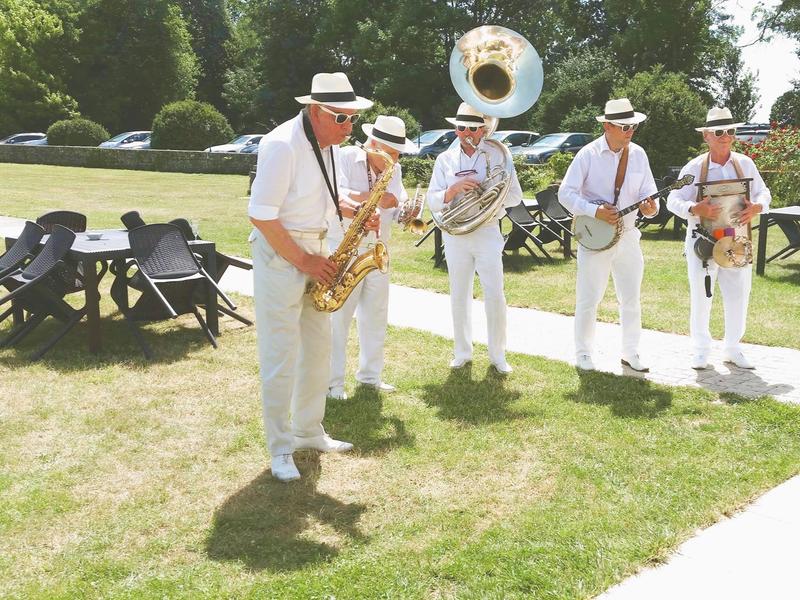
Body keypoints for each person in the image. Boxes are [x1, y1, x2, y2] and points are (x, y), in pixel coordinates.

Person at [248, 72, 374, 482]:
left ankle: (308, 431)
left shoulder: (328, 144)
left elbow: (318, 195)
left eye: (352, 118)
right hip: (282, 256)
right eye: (342, 119)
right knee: (280, 356)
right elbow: (262, 214)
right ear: (316, 111)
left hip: (314, 252)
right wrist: (304, 261)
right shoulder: (282, 145)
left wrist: (353, 210)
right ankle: (280, 448)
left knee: (319, 351)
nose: (350, 127)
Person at [558, 98, 658, 372]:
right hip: (595, 238)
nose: (630, 132)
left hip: (628, 236)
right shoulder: (588, 154)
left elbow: (648, 193)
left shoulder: (638, 154)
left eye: (633, 127)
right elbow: (565, 194)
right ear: (607, 126)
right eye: (624, 127)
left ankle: (631, 352)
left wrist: (651, 207)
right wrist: (593, 211)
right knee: (589, 298)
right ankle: (584, 353)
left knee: (631, 298)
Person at [666, 107, 771, 370]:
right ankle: (701, 351)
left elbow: (763, 193)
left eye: (730, 131)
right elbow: (672, 199)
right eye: (719, 132)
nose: (726, 136)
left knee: (739, 294)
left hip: (736, 240)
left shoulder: (745, 163)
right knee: (702, 295)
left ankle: (733, 348)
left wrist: (757, 207)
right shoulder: (693, 168)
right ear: (707, 136)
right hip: (703, 241)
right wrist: (694, 209)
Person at [426, 102, 522, 374]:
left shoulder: (499, 155)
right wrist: (452, 190)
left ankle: (498, 355)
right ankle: (462, 353)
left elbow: (514, 194)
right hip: (456, 234)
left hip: (487, 230)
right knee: (459, 294)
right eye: (460, 127)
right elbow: (432, 199)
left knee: (494, 294)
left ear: (483, 130)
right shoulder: (445, 159)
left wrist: (489, 199)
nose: (465, 133)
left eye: (472, 127)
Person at [327, 115, 417, 400]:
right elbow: (334, 196)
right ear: (374, 145)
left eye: (399, 154)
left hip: (378, 250)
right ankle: (333, 384)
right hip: (346, 248)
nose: (396, 160)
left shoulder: (393, 169)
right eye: (392, 153)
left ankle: (370, 376)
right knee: (338, 319)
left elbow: (397, 202)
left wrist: (406, 212)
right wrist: (375, 199)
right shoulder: (343, 158)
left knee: (376, 317)